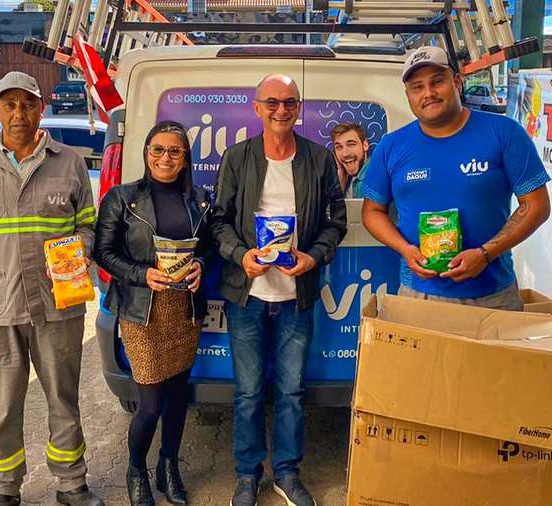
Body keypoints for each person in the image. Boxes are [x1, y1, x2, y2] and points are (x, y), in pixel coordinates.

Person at [0, 71, 103, 506]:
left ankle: (71, 483)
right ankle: (4, 487)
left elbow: (89, 225)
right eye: (9, 104)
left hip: (58, 304)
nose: (19, 113)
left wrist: (76, 252)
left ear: (40, 109)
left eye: (27, 104)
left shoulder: (69, 163)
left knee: (63, 399)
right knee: (5, 405)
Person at [211, 74, 347, 506]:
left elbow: (336, 223)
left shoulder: (319, 159)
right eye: (272, 102)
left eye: (289, 102)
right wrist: (240, 255)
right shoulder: (237, 158)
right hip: (248, 295)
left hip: (296, 297)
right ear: (257, 108)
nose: (281, 110)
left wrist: (315, 257)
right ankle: (247, 476)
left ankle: (287, 474)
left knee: (291, 393)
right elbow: (218, 221)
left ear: (299, 108)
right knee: (248, 393)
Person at [362, 46, 551, 310]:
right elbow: (372, 211)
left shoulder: (504, 132)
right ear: (408, 95)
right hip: (418, 295)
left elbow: (536, 204)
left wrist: (486, 253)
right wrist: (405, 249)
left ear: (457, 82)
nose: (428, 93)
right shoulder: (391, 146)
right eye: (417, 87)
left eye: (437, 81)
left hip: (494, 296)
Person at [94, 121, 213, 506]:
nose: (165, 158)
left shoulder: (200, 200)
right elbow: (103, 252)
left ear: (185, 158)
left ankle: (168, 465)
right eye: (157, 149)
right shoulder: (122, 198)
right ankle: (136, 469)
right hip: (141, 311)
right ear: (146, 153)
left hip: (185, 310)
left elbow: (210, 247)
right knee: (149, 404)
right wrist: (140, 274)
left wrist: (202, 265)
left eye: (174, 151)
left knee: (178, 398)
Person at [330, 122, 370, 198]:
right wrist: (340, 182)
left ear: (365, 145)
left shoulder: (377, 176)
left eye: (351, 144)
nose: (345, 154)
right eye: (339, 147)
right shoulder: (345, 179)